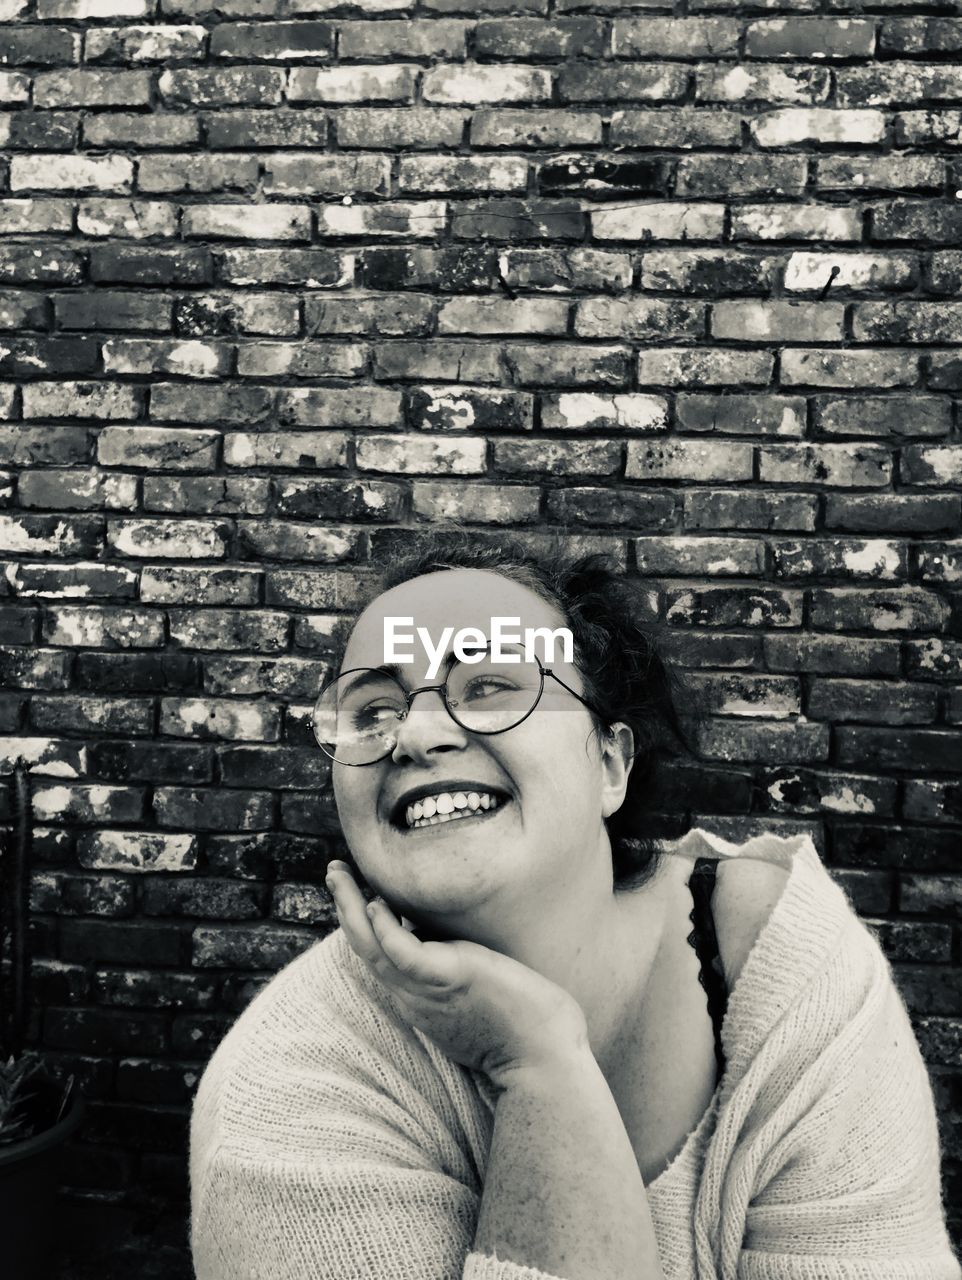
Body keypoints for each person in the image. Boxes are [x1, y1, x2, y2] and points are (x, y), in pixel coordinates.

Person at [190, 534, 961, 1280]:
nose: (417, 735)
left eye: (489, 685)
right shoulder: (288, 1090)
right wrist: (539, 1068)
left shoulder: (788, 968)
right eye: (372, 711)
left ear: (608, 764)